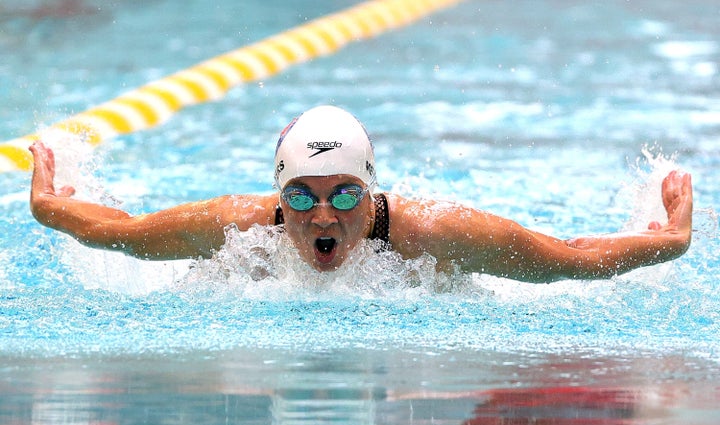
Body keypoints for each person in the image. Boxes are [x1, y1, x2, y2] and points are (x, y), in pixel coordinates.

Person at [29, 105, 693, 283]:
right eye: (304, 197)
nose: (323, 216)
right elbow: (118, 231)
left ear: (371, 194)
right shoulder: (238, 227)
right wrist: (51, 204)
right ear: (279, 196)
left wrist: (667, 241)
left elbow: (567, 258)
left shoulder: (430, 232)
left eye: (345, 196)